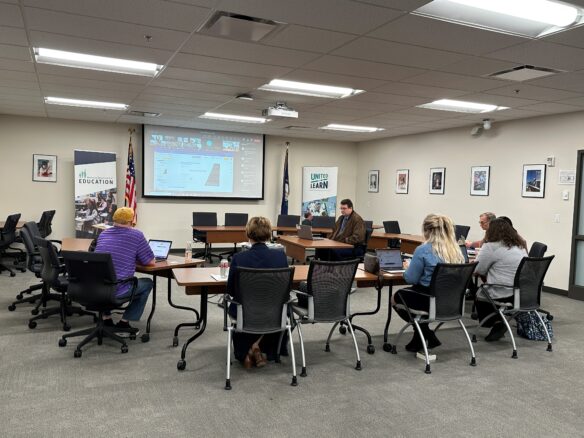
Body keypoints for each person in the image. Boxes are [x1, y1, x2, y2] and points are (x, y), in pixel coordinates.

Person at [391, 214, 465, 352]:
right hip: (451, 302)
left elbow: (411, 279)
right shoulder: (457, 250)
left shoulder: (423, 250)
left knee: (396, 297)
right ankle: (422, 336)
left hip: (427, 299)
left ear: (427, 230)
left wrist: (408, 267)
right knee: (409, 294)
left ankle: (425, 333)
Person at [226, 216, 289, 368]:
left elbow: (231, 290)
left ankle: (248, 349)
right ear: (269, 234)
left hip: (245, 312)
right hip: (273, 312)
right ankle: (257, 347)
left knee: (240, 309)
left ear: (248, 234)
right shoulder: (281, 256)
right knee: (285, 311)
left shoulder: (239, 258)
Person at [94, 207, 155, 335]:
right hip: (117, 289)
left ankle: (106, 318)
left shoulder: (103, 234)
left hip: (96, 287)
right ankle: (124, 322)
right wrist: (135, 258)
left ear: (114, 219)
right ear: (131, 221)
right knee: (147, 283)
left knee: (107, 277)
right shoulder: (136, 234)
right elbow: (150, 262)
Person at [474, 218, 528, 341]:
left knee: (479, 293)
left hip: (501, 292)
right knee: (485, 289)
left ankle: (495, 322)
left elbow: (478, 270)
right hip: (520, 293)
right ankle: (499, 320)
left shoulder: (490, 247)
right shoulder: (520, 247)